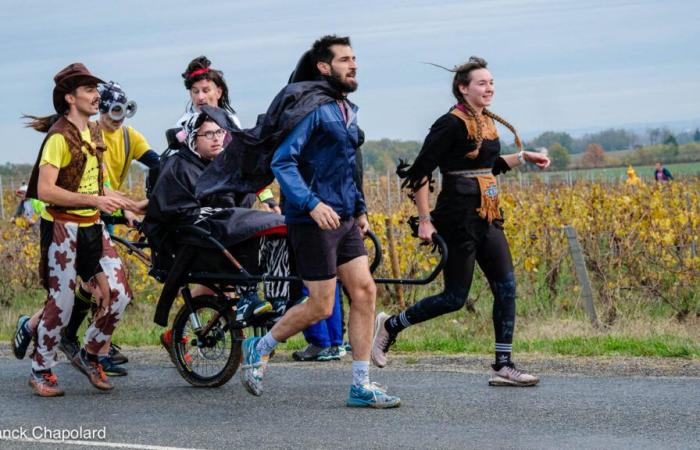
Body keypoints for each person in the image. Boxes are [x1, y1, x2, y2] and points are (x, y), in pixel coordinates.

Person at [239, 35, 400, 408]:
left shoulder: (345, 109)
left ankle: (361, 384)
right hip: (312, 221)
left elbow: (346, 166)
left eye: (354, 58)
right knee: (322, 306)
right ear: (324, 68)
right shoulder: (312, 109)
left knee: (365, 291)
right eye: (345, 59)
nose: (353, 64)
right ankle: (259, 346)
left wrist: (358, 209)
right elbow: (283, 162)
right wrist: (311, 204)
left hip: (343, 217)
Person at [371, 56, 550, 387]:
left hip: (489, 215)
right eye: (482, 83)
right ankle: (390, 326)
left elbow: (489, 164)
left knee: (507, 288)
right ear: (463, 88)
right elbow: (420, 173)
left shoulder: (487, 121)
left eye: (492, 82)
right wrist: (425, 220)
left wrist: (524, 157)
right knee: (454, 298)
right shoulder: (449, 124)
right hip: (457, 219)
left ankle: (503, 365)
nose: (489, 88)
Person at [13, 81, 158, 377]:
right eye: (90, 92)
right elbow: (47, 190)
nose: (96, 97)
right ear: (71, 98)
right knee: (65, 299)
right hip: (63, 226)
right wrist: (101, 200)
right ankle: (42, 361)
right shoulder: (59, 138)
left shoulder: (99, 134)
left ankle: (91, 353)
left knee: (115, 292)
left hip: (95, 221)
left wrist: (131, 205)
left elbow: (100, 182)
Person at [144, 107, 301, 345]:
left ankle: (278, 301)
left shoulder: (222, 163)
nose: (217, 138)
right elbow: (173, 209)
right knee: (246, 227)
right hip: (192, 238)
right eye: (208, 134)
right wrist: (221, 213)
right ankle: (247, 297)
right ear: (192, 138)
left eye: (219, 132)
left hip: (219, 228)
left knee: (279, 227)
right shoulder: (178, 166)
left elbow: (242, 192)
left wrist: (265, 200)